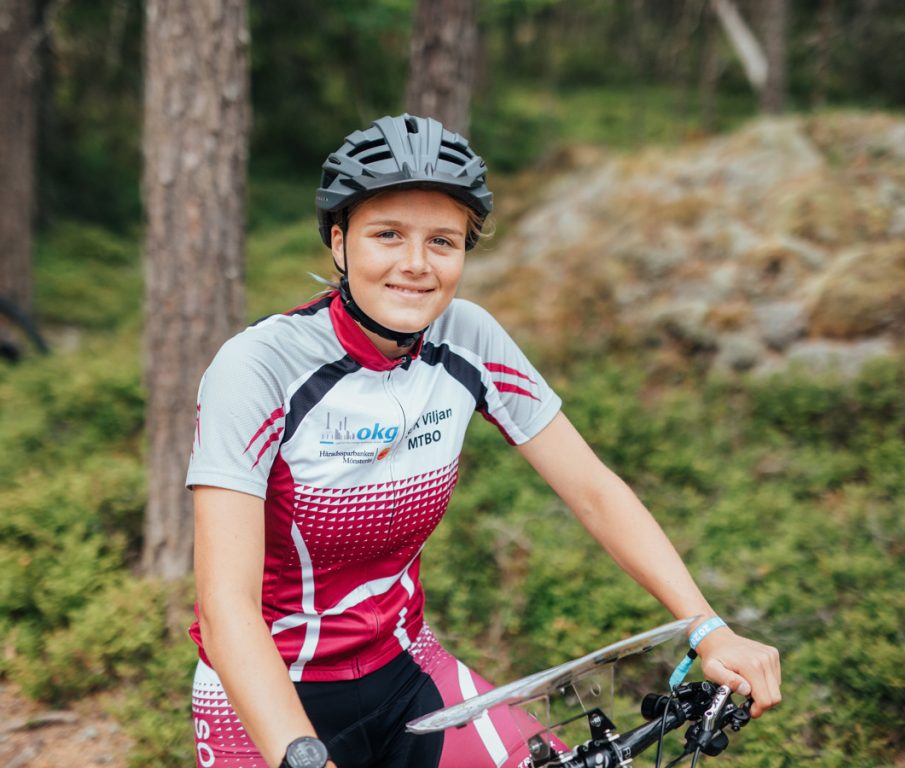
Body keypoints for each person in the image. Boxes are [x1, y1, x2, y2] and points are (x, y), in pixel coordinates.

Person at [187, 113, 781, 768]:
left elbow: (593, 490)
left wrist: (707, 627)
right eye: (388, 235)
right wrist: (301, 756)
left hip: (405, 668)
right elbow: (225, 606)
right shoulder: (261, 368)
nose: (416, 265)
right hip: (260, 694)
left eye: (443, 242)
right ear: (339, 241)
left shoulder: (466, 338)